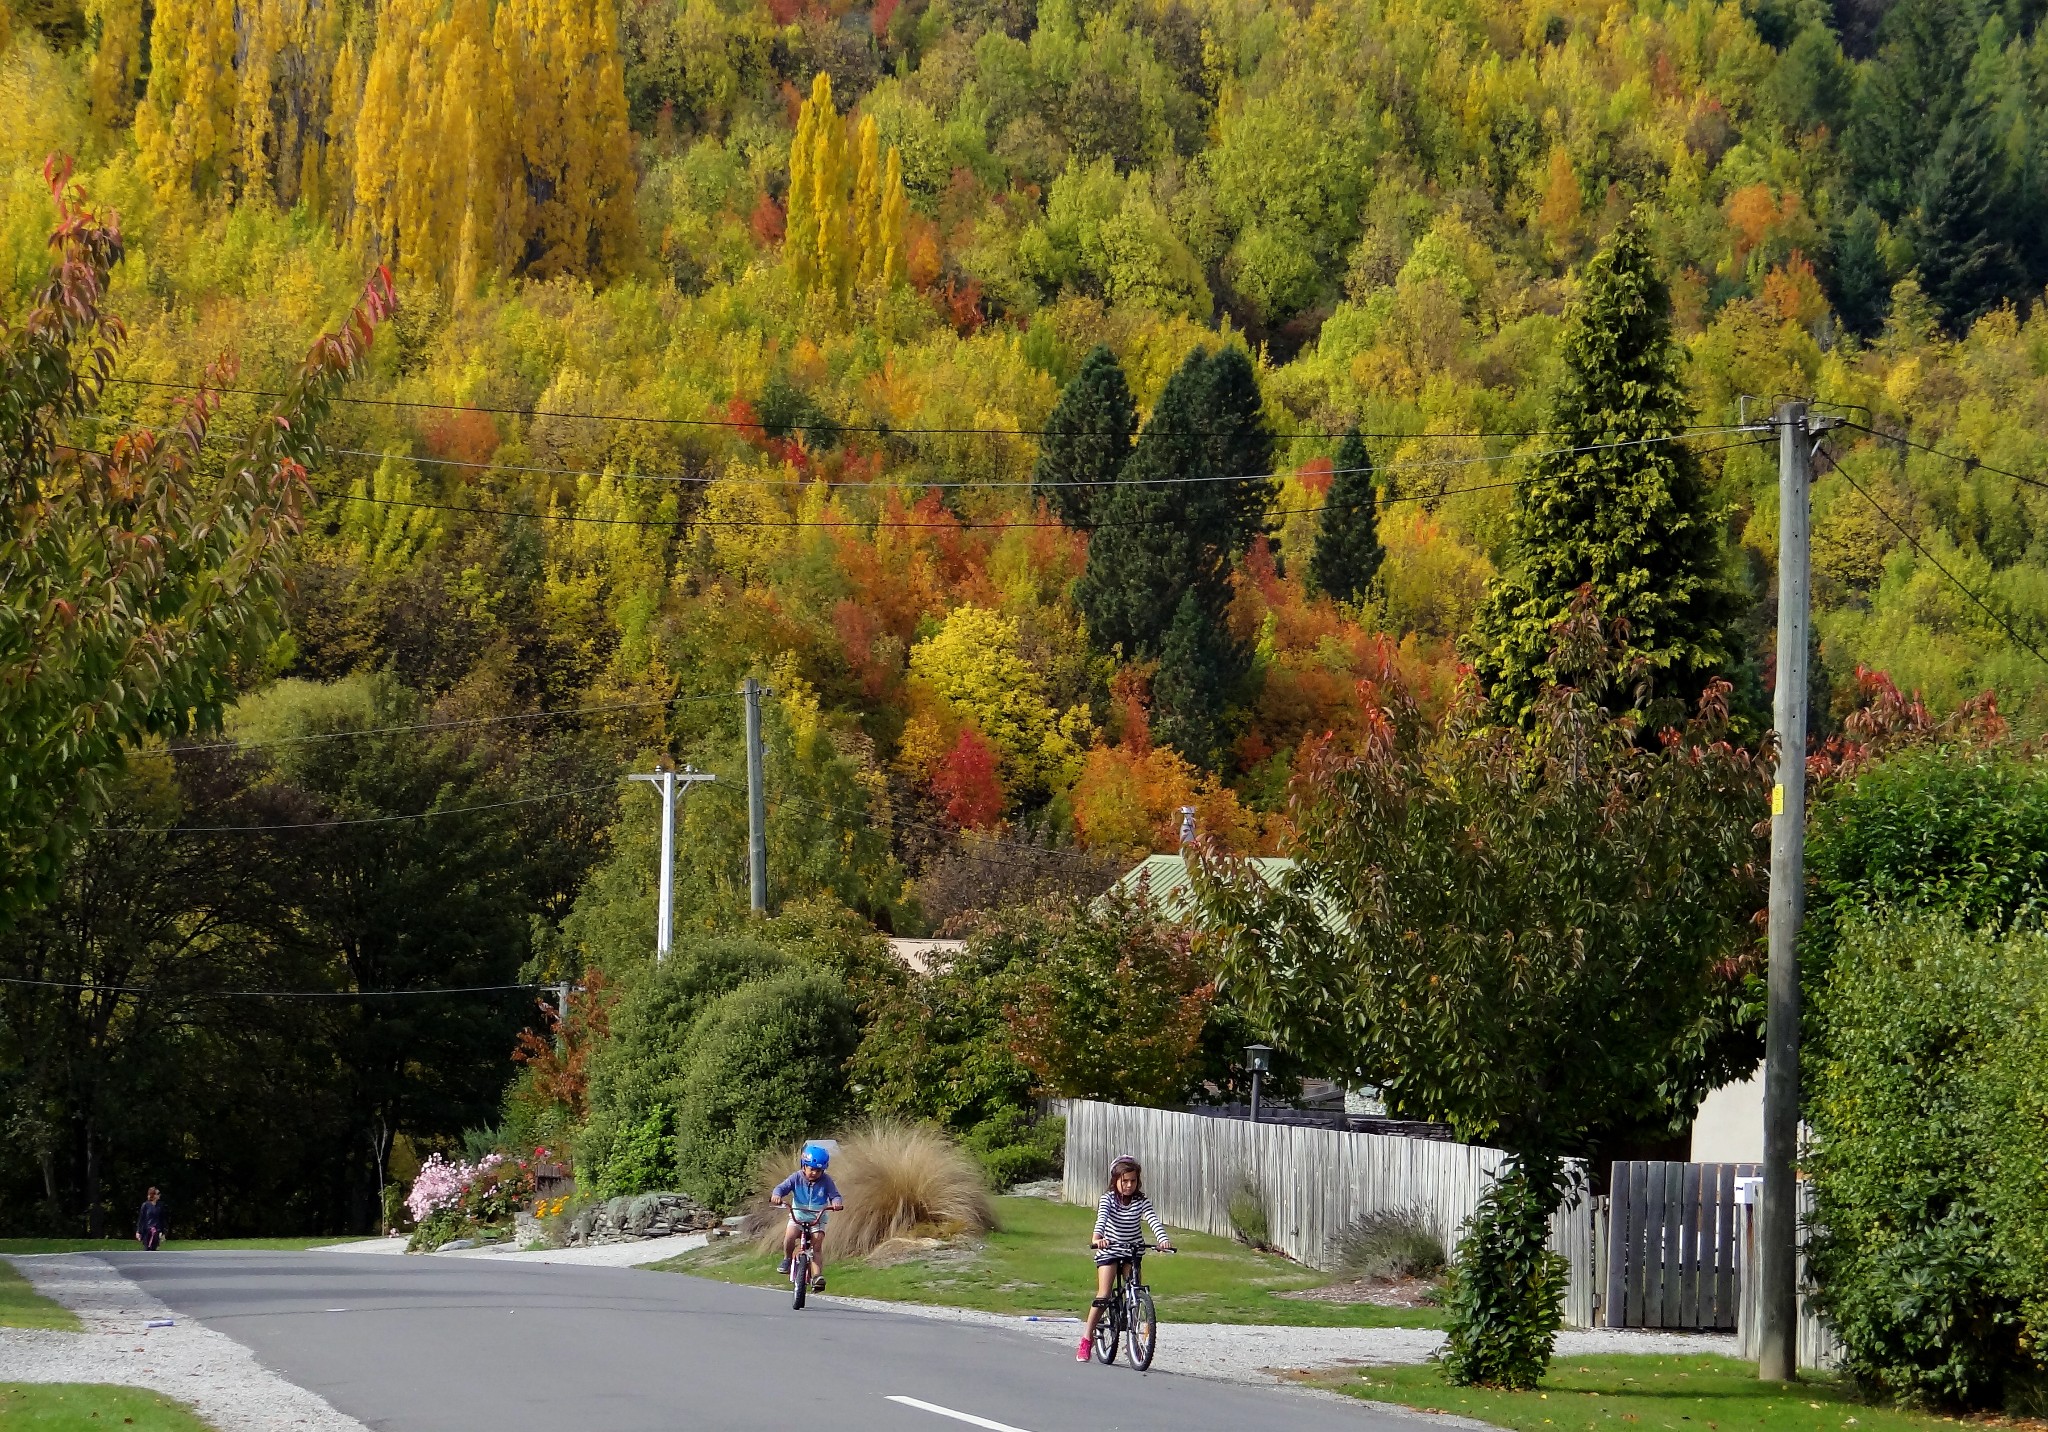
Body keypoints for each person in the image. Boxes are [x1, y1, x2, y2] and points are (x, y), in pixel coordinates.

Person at [1080, 1154, 1172, 1361]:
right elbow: (1101, 1219)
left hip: (1132, 1251)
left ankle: (1134, 1343)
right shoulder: (1108, 1199)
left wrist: (1163, 1240)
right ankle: (1087, 1339)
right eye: (1125, 1181)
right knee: (1103, 1295)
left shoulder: (1141, 1201)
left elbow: (1153, 1221)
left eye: (1133, 1181)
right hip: (1110, 1249)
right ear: (1116, 1181)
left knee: (1136, 1293)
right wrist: (1098, 1238)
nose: (1129, 1185)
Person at [769, 1142, 843, 1292]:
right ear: (803, 1165)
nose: (814, 1173)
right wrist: (776, 1195)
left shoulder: (826, 1181)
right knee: (789, 1235)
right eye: (811, 1169)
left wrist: (836, 1203)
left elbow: (835, 1195)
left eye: (819, 1170)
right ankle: (787, 1259)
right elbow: (781, 1188)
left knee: (816, 1245)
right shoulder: (796, 1178)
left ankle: (817, 1277)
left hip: (817, 1218)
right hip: (798, 1215)